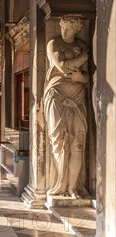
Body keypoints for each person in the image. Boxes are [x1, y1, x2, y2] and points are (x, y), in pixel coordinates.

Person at [43, 15, 89, 199]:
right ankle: (60, 184)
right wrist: (85, 56)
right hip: (56, 97)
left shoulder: (81, 44)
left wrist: (81, 78)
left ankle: (72, 187)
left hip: (78, 98)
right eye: (63, 27)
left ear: (77, 29)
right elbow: (62, 67)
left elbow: (86, 76)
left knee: (78, 143)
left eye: (69, 29)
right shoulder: (53, 44)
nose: (65, 31)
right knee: (59, 142)